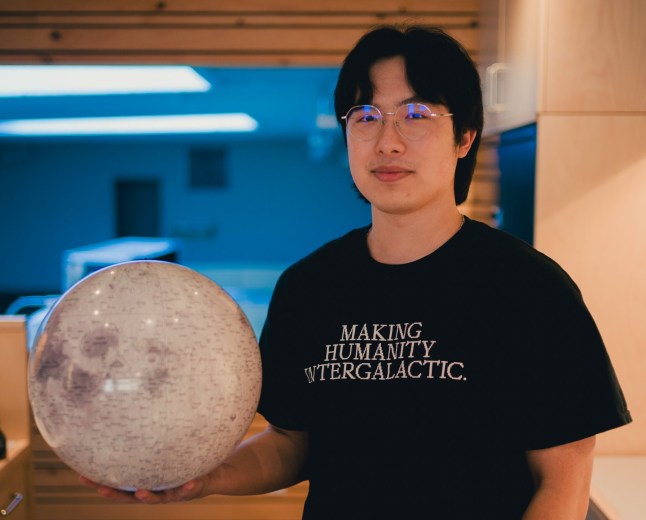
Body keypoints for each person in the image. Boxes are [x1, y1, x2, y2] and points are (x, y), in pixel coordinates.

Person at [83, 25, 632, 519]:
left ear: (464, 137)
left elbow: (563, 487)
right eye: (366, 117)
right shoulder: (309, 286)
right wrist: (206, 478)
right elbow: (293, 443)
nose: (387, 141)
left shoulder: (530, 289)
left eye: (417, 115)